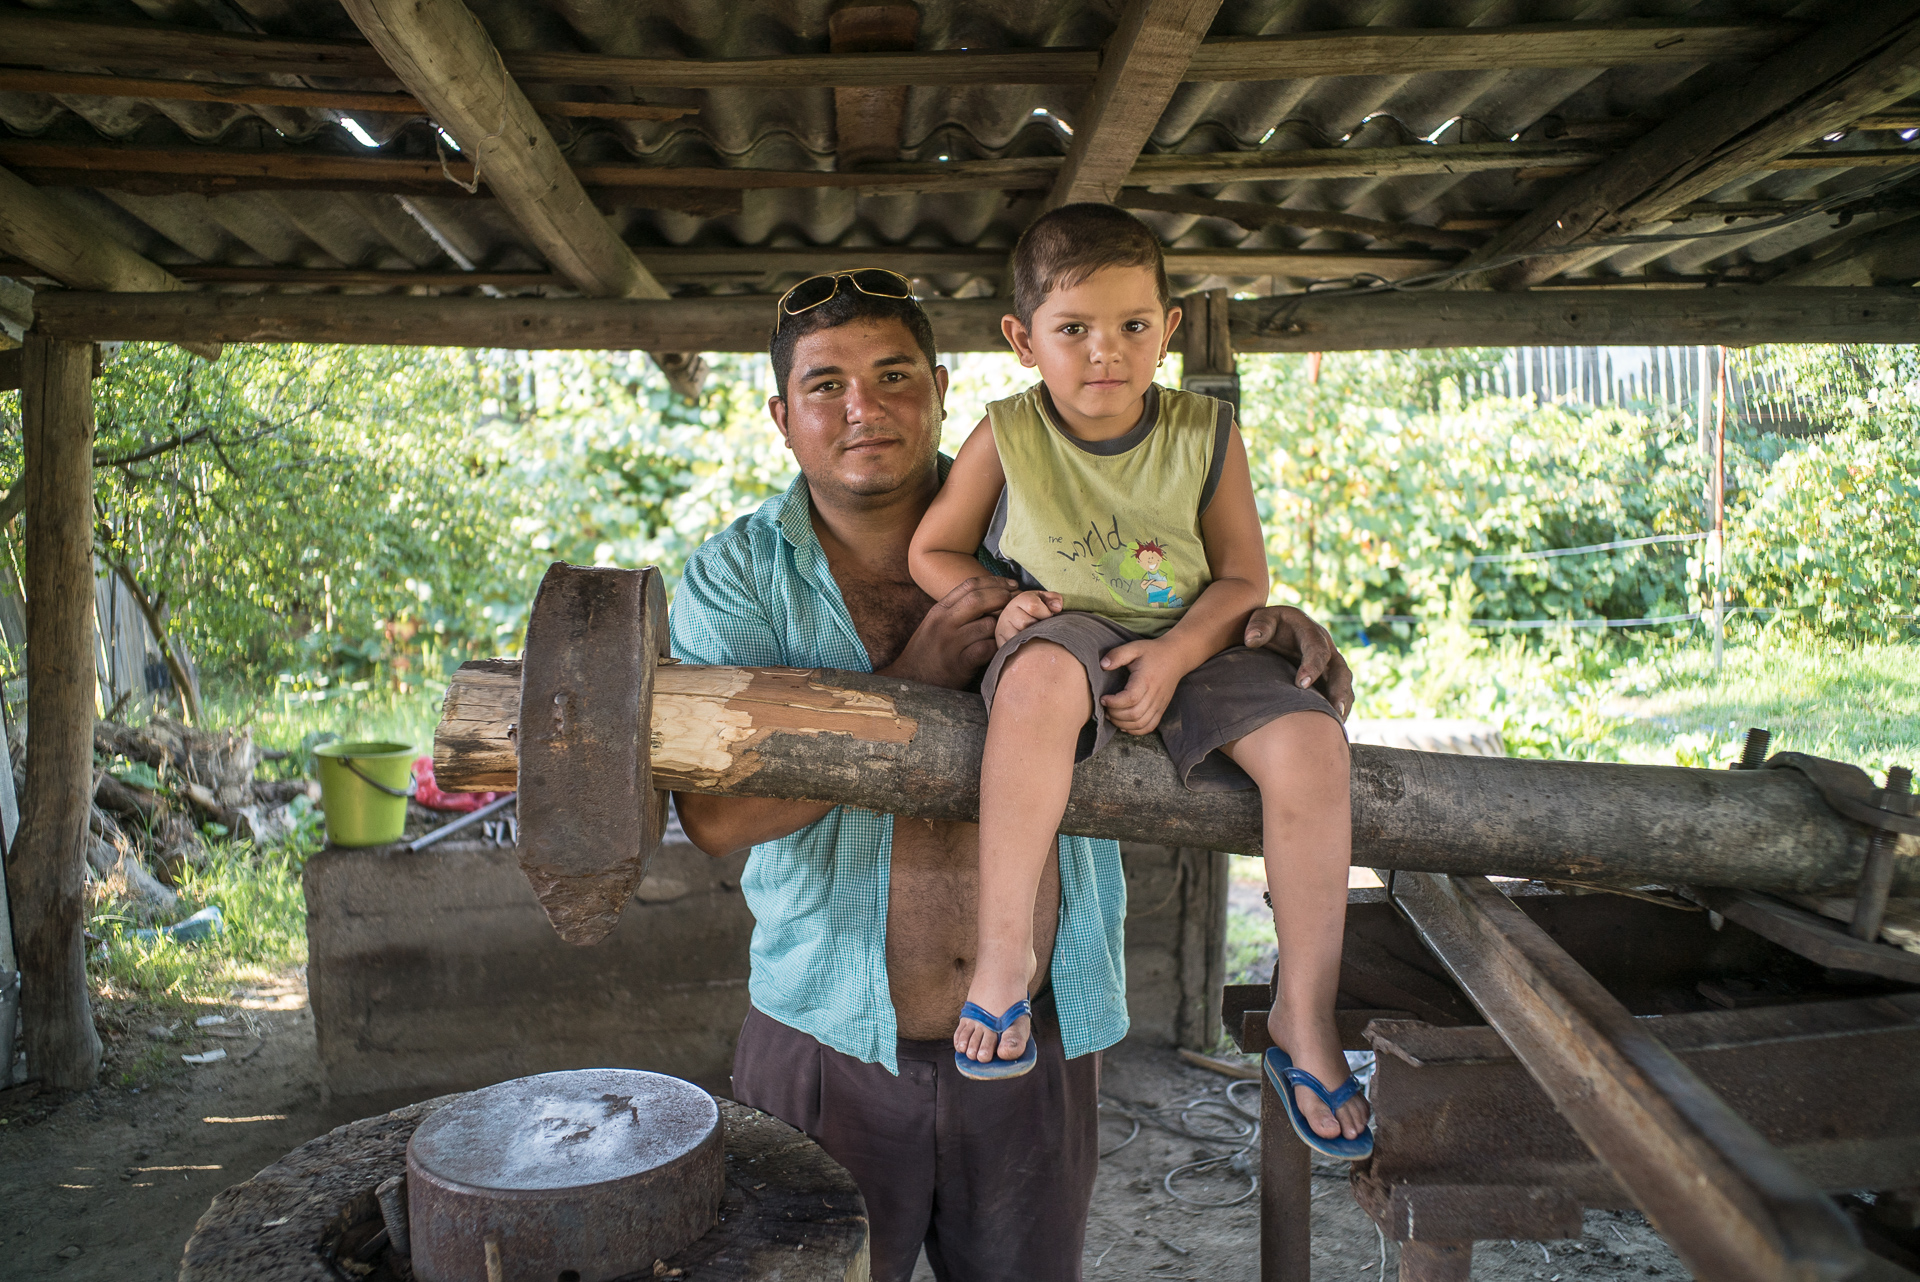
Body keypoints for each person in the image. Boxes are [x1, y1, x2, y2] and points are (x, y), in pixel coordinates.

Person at [671, 266, 1354, 1282]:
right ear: (782, 417)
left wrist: (1255, 630)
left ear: (942, 388)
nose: (864, 408)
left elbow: (1171, 610)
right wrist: (912, 681)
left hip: (1036, 1035)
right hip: (826, 1037)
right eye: (826, 385)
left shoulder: (1049, 507)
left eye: (894, 375)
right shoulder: (740, 576)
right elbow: (715, 820)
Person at [908, 205, 1370, 1158]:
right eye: (1073, 328)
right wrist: (1001, 602)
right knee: (1033, 688)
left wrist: (1176, 654)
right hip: (1067, 631)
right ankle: (1003, 959)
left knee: (1312, 741)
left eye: (1131, 325)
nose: (1104, 351)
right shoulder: (1008, 433)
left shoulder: (1205, 431)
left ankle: (1304, 1014)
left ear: (1168, 330)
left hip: (1202, 638)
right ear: (1023, 341)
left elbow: (1242, 577)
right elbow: (932, 549)